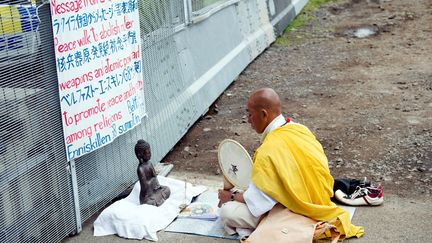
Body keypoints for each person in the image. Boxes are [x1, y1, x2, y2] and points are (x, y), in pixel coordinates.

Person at [218, 88, 364, 240]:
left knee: (227, 212)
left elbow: (259, 201)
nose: (248, 120)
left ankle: (286, 225)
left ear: (263, 114)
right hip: (320, 201)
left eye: (250, 114)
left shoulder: (267, 151)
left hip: (295, 210)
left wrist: (231, 196)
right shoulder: (301, 129)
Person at [135, 139, 170, 206]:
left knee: (167, 189)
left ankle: (158, 199)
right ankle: (157, 200)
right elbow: (145, 186)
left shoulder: (149, 163)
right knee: (149, 202)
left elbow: (155, 176)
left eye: (150, 152)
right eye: (147, 153)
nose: (150, 154)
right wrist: (153, 179)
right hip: (147, 195)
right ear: (140, 155)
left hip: (155, 190)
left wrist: (157, 185)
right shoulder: (140, 169)